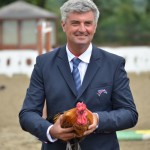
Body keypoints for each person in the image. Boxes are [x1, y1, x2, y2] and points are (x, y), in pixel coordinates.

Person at [19, 0, 138, 150]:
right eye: (75, 23)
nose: (82, 29)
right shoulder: (44, 63)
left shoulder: (114, 64)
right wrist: (50, 131)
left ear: (94, 27)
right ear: (63, 25)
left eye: (87, 23)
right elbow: (27, 113)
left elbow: (129, 113)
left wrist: (97, 119)